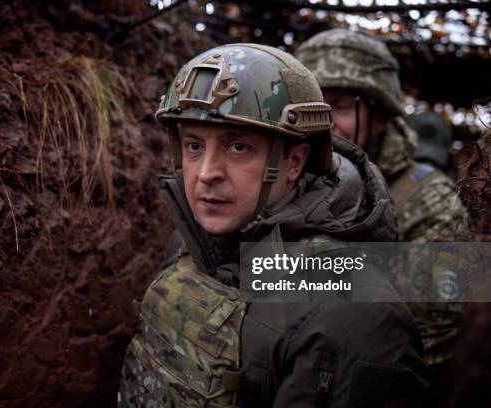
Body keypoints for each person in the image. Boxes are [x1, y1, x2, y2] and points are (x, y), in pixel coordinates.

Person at [118, 43, 428, 407]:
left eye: (238, 147)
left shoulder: (357, 314)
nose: (206, 174)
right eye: (193, 145)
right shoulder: (192, 240)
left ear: (295, 161)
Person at [295, 28, 469, 404]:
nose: (321, 125)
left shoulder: (428, 201)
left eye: (339, 106)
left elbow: (432, 345)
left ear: (380, 116)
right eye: (311, 107)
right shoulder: (287, 180)